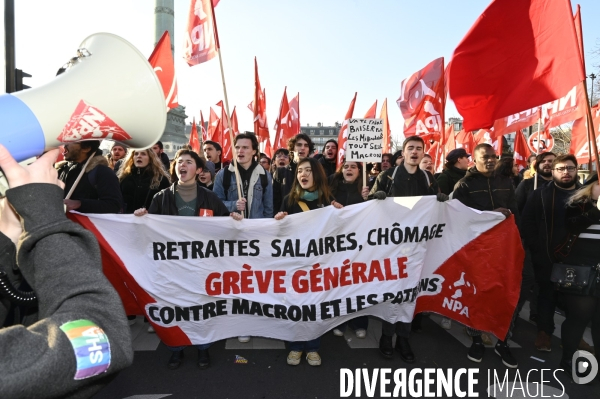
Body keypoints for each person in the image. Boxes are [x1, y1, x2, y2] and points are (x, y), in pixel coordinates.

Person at [0, 145, 133, 398]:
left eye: (69, 142)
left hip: (68, 248)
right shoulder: (65, 169)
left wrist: (7, 238)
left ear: (85, 146)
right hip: (56, 249)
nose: (64, 147)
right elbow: (100, 330)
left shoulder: (100, 172)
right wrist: (41, 209)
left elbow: (114, 204)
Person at [134, 149, 240, 370]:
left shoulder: (210, 197)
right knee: (174, 307)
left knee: (201, 307)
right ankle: (176, 348)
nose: (182, 165)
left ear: (198, 169)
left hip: (201, 267)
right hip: (171, 268)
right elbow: (149, 232)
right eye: (179, 162)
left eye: (188, 162)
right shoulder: (161, 198)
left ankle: (203, 348)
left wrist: (234, 219)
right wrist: (142, 219)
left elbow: (224, 227)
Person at [369, 136, 441, 364]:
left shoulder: (429, 178)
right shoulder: (387, 176)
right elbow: (368, 207)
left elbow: (438, 209)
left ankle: (403, 338)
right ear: (404, 152)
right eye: (410, 148)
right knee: (393, 292)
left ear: (423, 153)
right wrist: (375, 198)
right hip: (391, 246)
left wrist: (442, 200)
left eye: (419, 149)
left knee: (410, 294)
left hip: (417, 247)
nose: (415, 152)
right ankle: (386, 336)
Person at [453, 143, 520, 368]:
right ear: (475, 158)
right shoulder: (464, 184)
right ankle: (476, 338)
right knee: (476, 293)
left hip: (503, 248)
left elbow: (514, 211)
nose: (491, 160)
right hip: (476, 248)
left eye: (494, 156)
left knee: (504, 292)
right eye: (486, 157)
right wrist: (488, 215)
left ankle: (503, 340)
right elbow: (458, 217)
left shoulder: (506, 182)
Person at [274, 157, 342, 366]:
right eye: (300, 171)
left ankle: (312, 346)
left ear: (317, 174)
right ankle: (295, 346)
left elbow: (340, 232)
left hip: (320, 264)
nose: (303, 174)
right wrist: (278, 220)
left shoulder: (329, 199)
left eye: (308, 170)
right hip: (295, 264)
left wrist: (341, 214)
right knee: (295, 305)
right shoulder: (290, 200)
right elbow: (280, 234)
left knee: (315, 307)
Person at [521, 154, 582, 353]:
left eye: (570, 168)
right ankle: (544, 332)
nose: (566, 172)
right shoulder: (539, 194)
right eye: (561, 169)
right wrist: (536, 249)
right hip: (546, 255)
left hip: (578, 258)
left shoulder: (586, 194)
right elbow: (527, 222)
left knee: (576, 300)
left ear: (576, 170)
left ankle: (575, 335)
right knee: (546, 295)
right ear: (553, 171)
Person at [558, 172, 600, 374]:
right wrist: (596, 211)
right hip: (581, 268)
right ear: (590, 186)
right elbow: (570, 226)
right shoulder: (577, 204)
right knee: (579, 317)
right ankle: (568, 359)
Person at [328, 160, 370, 338]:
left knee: (359, 284)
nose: (349, 169)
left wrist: (369, 198)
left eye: (353, 166)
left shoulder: (368, 187)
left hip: (361, 244)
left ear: (359, 171)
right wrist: (331, 204)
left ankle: (359, 322)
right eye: (346, 166)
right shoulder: (332, 188)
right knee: (340, 283)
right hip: (338, 243)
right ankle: (341, 320)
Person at [57, 140, 124, 213]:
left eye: (70, 142)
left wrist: (80, 203)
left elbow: (114, 205)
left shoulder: (102, 172)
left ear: (86, 148)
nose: (65, 145)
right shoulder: (62, 169)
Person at [118, 149, 171, 214]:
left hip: (150, 221)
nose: (139, 156)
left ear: (150, 158)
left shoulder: (161, 179)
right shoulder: (124, 179)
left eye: (143, 154)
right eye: (136, 154)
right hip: (127, 221)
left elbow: (166, 205)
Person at [272, 133, 315, 213]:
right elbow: (275, 199)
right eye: (299, 145)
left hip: (308, 216)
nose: (302, 148)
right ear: (292, 148)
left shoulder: (315, 170)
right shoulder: (281, 172)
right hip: (286, 216)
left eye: (306, 145)